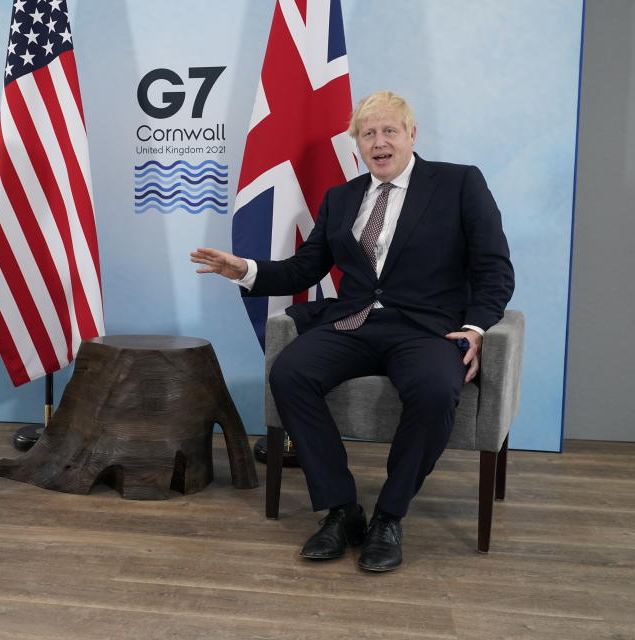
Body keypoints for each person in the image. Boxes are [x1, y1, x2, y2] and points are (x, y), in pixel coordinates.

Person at [191, 91, 514, 572]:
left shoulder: (459, 183)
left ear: (411, 135)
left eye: (389, 131)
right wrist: (244, 270)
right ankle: (342, 511)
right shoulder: (341, 199)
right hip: (354, 322)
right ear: (357, 144)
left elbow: (495, 271)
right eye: (368, 134)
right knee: (290, 373)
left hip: (427, 330)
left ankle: (389, 515)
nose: (379, 142)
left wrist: (474, 328)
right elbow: (303, 270)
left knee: (434, 389)